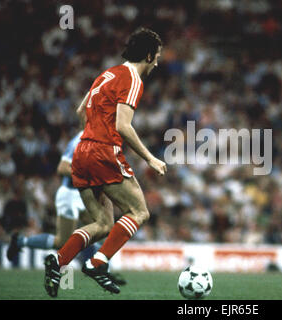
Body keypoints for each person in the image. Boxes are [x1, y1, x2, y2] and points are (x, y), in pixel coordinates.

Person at [44, 27, 167, 297]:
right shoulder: (133, 79)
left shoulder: (106, 74)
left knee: (102, 223)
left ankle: (58, 260)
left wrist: (92, 136)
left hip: (82, 152)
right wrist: (150, 158)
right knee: (139, 212)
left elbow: (80, 111)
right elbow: (123, 126)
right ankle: (98, 262)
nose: (156, 63)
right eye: (156, 57)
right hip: (103, 152)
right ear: (148, 55)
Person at [7, 131, 126, 285]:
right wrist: (90, 177)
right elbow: (62, 168)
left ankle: (101, 269)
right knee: (62, 241)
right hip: (70, 195)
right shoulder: (81, 139)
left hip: (85, 194)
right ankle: (20, 242)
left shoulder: (103, 138)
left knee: (102, 228)